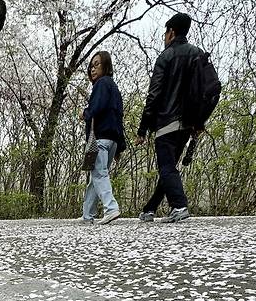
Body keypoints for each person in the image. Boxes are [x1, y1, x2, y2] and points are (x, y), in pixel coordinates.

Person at [136, 12, 201, 223]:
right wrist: (199, 121)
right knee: (169, 167)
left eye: (165, 33)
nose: (164, 37)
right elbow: (206, 90)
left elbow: (154, 94)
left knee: (166, 167)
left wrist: (143, 129)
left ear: (171, 32)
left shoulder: (166, 56)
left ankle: (179, 205)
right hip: (189, 123)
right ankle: (150, 209)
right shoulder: (198, 55)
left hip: (167, 121)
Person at [80, 51, 126, 224]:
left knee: (99, 174)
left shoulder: (101, 84)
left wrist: (85, 113)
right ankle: (87, 215)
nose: (92, 69)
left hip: (100, 139)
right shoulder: (114, 87)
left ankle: (111, 208)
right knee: (97, 176)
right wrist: (120, 146)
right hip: (112, 140)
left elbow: (96, 107)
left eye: (97, 64)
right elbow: (118, 116)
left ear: (106, 65)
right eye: (91, 65)